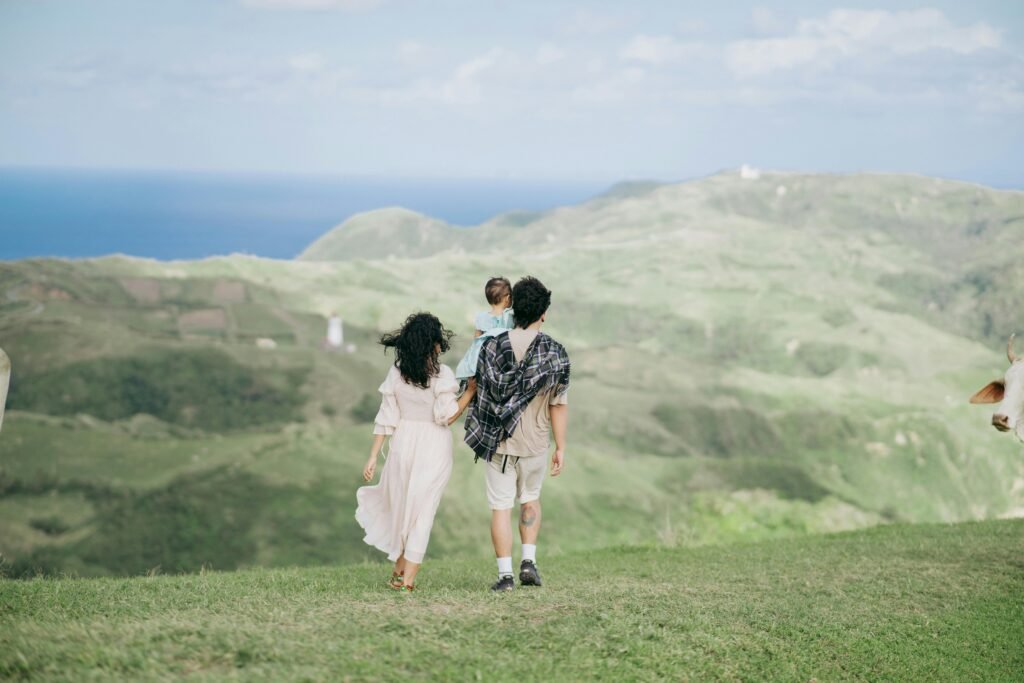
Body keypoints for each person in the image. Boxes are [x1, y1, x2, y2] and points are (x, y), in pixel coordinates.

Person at [355, 312, 476, 591]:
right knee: (422, 512)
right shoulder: (441, 375)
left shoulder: (397, 373)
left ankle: (399, 575)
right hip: (433, 445)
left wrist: (374, 455)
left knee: (402, 509)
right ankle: (407, 582)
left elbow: (386, 417)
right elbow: (446, 417)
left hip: (402, 444)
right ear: (433, 343)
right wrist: (469, 393)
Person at [464, 276, 570, 592]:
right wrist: (560, 447)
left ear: (512, 306)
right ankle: (528, 562)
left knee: (500, 507)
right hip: (536, 442)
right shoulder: (555, 352)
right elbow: (558, 404)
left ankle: (505, 576)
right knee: (530, 498)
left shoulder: (491, 345)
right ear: (543, 313)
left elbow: (477, 389)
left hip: (498, 441)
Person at [455, 276, 515, 383]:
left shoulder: (481, 317)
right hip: (503, 357)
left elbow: (476, 340)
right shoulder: (510, 317)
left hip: (484, 357)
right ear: (507, 298)